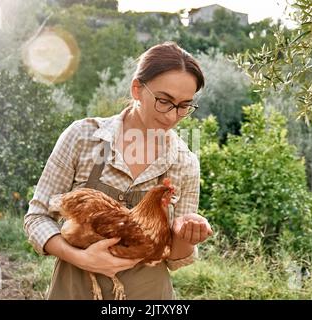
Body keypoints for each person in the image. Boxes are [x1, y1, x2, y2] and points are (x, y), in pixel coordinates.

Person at [24, 41, 213, 300]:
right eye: (164, 101)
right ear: (137, 89)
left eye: (183, 106)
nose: (172, 116)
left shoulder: (184, 162)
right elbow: (37, 218)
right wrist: (81, 258)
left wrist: (186, 236)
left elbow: (175, 260)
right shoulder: (83, 137)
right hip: (74, 289)